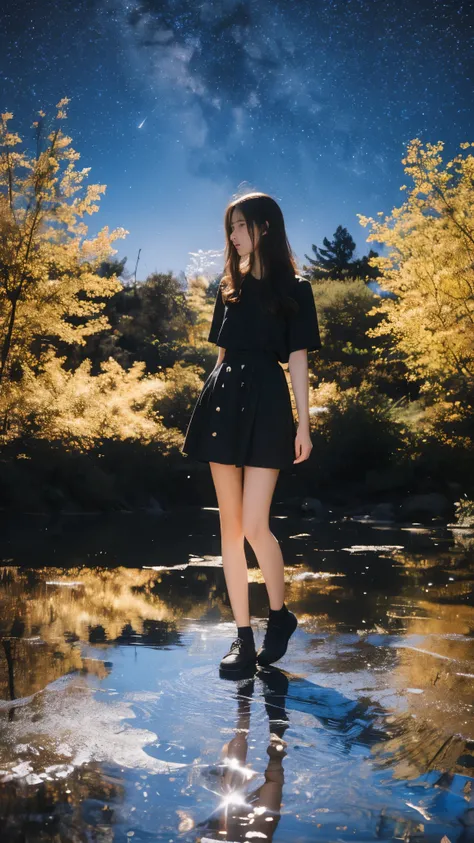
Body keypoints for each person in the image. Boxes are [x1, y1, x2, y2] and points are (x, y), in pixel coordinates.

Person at [181, 191, 322, 676]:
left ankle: (278, 618)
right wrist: (207, 408)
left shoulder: (296, 290)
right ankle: (242, 637)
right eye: (231, 228)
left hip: (267, 406)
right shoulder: (229, 288)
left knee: (256, 527)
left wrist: (304, 424)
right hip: (224, 403)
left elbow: (298, 358)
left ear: (263, 228)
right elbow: (221, 356)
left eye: (240, 226)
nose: (234, 235)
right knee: (230, 529)